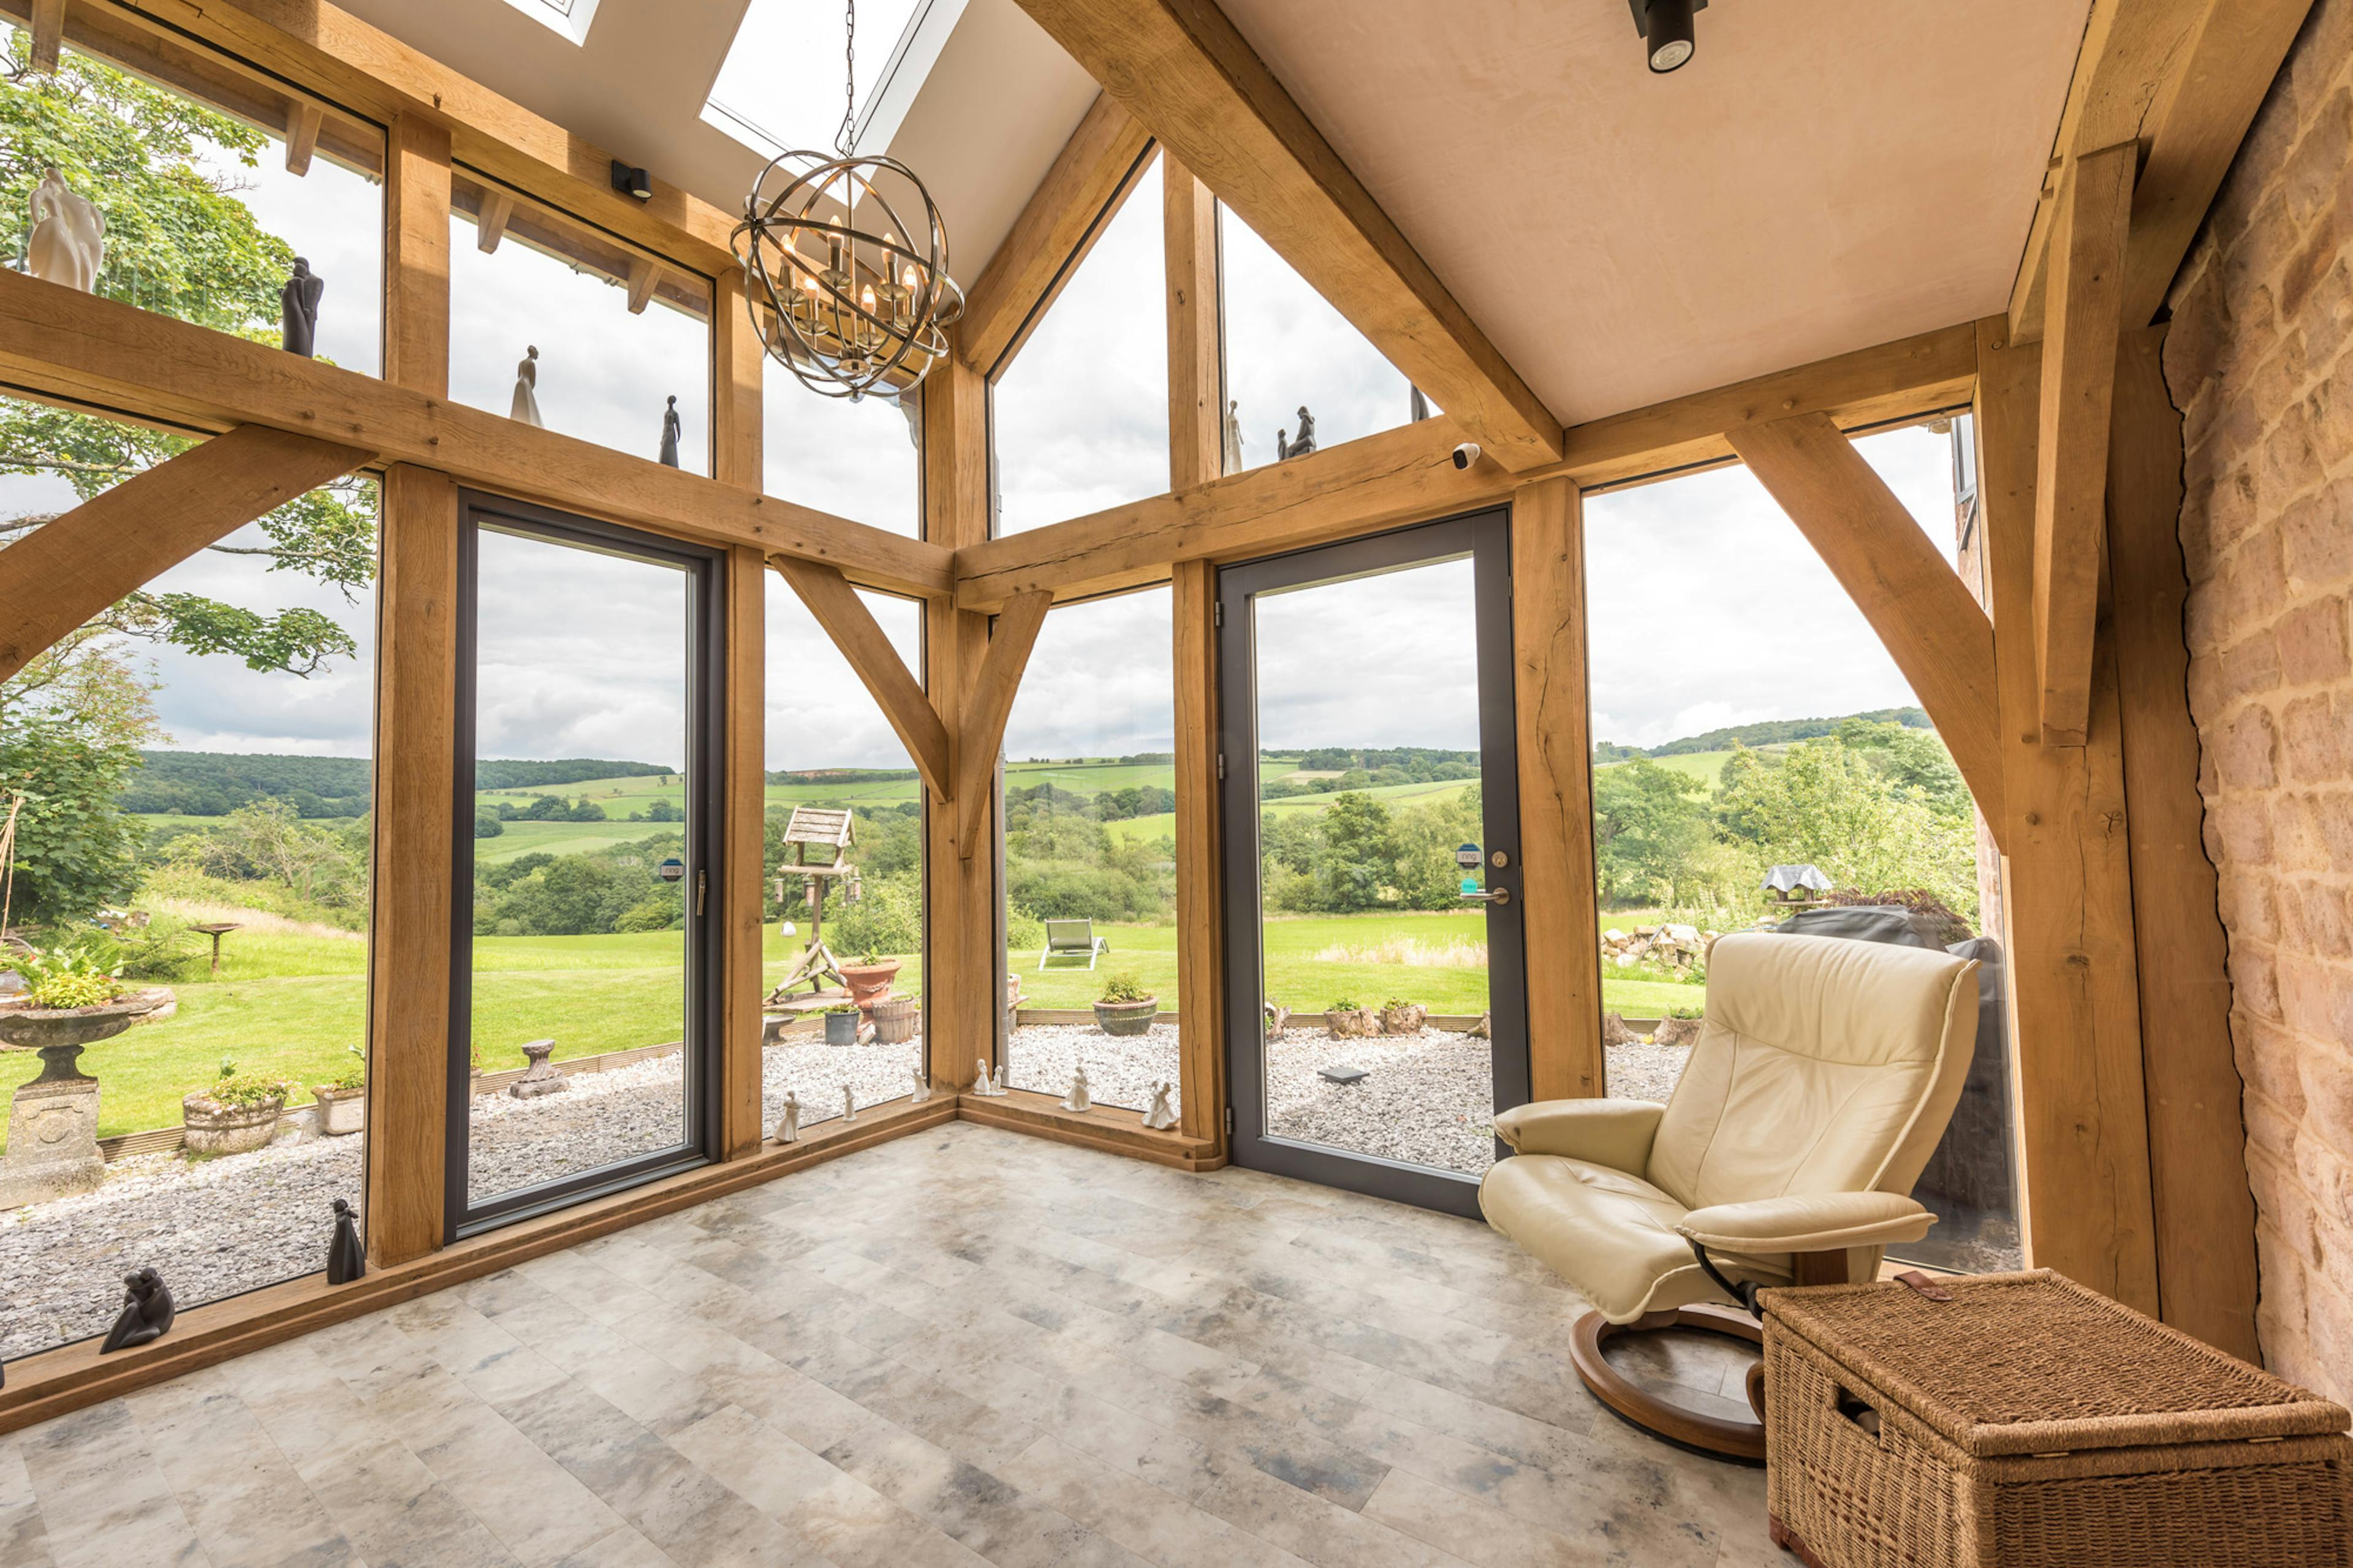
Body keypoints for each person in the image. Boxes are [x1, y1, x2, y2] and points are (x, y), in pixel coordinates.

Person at [27, 167, 104, 292]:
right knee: (90, 269)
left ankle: (85, 293)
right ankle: (87, 294)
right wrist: (95, 234)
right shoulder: (84, 202)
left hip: (78, 235)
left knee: (83, 266)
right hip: (95, 238)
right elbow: (100, 223)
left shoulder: (59, 199)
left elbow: (50, 212)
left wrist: (38, 224)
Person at [510, 345, 544, 427]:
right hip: (527, 384)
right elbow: (533, 380)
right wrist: (530, 389)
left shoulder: (521, 363)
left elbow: (519, 375)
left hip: (520, 383)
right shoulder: (531, 364)